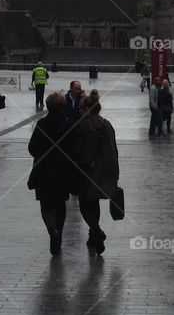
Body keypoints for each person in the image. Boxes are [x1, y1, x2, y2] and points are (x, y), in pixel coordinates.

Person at [28, 92, 78, 255]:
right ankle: (59, 232)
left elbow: (32, 148)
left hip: (44, 170)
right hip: (63, 170)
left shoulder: (42, 124)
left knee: (45, 204)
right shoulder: (69, 124)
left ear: (48, 106)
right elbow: (75, 148)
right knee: (60, 203)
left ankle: (52, 231)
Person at [76, 90, 120, 255]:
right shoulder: (106, 124)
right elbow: (113, 149)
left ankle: (96, 231)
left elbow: (80, 151)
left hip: (87, 171)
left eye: (81, 108)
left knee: (84, 204)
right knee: (94, 202)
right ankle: (93, 235)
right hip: (104, 170)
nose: (79, 111)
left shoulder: (83, 126)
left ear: (87, 109)